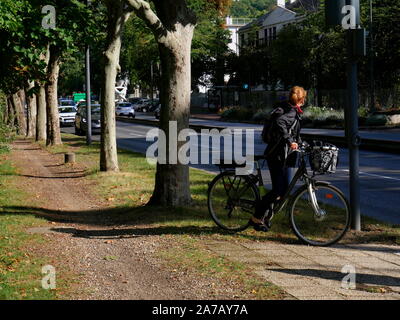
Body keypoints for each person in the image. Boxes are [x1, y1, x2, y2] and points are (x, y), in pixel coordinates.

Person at [249, 86, 307, 231]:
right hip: (277, 155)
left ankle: (267, 215)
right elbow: (280, 123)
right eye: (304, 98)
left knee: (284, 190)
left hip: (287, 155)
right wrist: (289, 141)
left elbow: (292, 130)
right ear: (301, 99)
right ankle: (257, 217)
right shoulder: (289, 111)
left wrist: (299, 142)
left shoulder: (290, 109)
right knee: (278, 190)